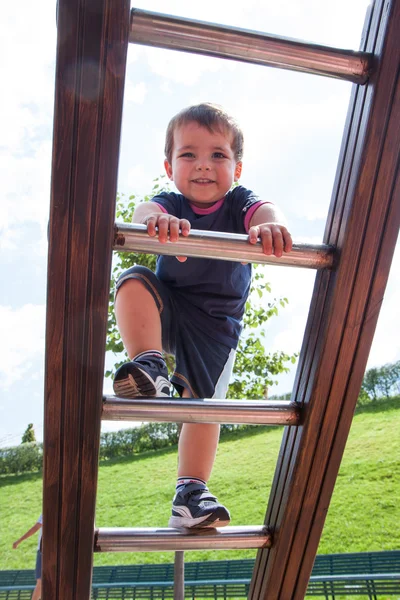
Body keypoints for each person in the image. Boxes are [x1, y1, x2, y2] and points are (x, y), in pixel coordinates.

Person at [113, 102, 292, 529]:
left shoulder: (239, 203)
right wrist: (156, 223)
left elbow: (268, 212)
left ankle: (190, 492)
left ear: (238, 167)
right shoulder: (169, 202)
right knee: (133, 279)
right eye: (188, 154)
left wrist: (269, 227)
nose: (203, 166)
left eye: (218, 155)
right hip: (168, 309)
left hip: (215, 326)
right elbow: (143, 213)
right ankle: (149, 364)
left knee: (204, 405)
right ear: (169, 165)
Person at [13, 514, 42, 600]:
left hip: (44, 551)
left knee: (41, 581)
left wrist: (19, 541)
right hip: (50, 551)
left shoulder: (47, 512)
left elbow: (35, 528)